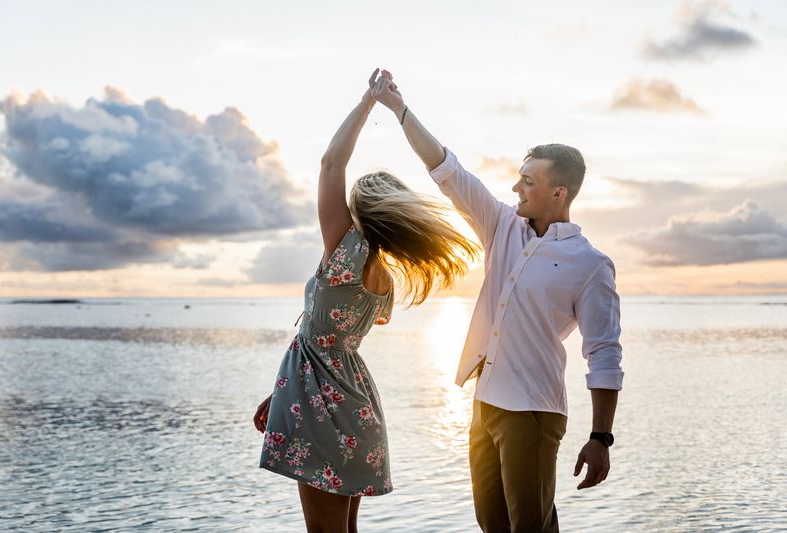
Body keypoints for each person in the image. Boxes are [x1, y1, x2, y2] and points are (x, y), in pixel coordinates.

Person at [370, 70, 624, 533]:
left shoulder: (590, 264)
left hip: (532, 411)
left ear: (558, 192)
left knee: (531, 527)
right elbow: (447, 170)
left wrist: (600, 437)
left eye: (527, 181)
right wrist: (397, 107)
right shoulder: (501, 226)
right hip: (484, 402)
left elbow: (604, 352)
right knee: (491, 524)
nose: (515, 189)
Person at [253, 69, 480, 533]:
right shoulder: (384, 277)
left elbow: (330, 162)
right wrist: (279, 392)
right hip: (353, 404)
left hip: (322, 411)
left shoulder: (345, 251)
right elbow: (329, 344)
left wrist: (367, 102)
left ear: (361, 211)